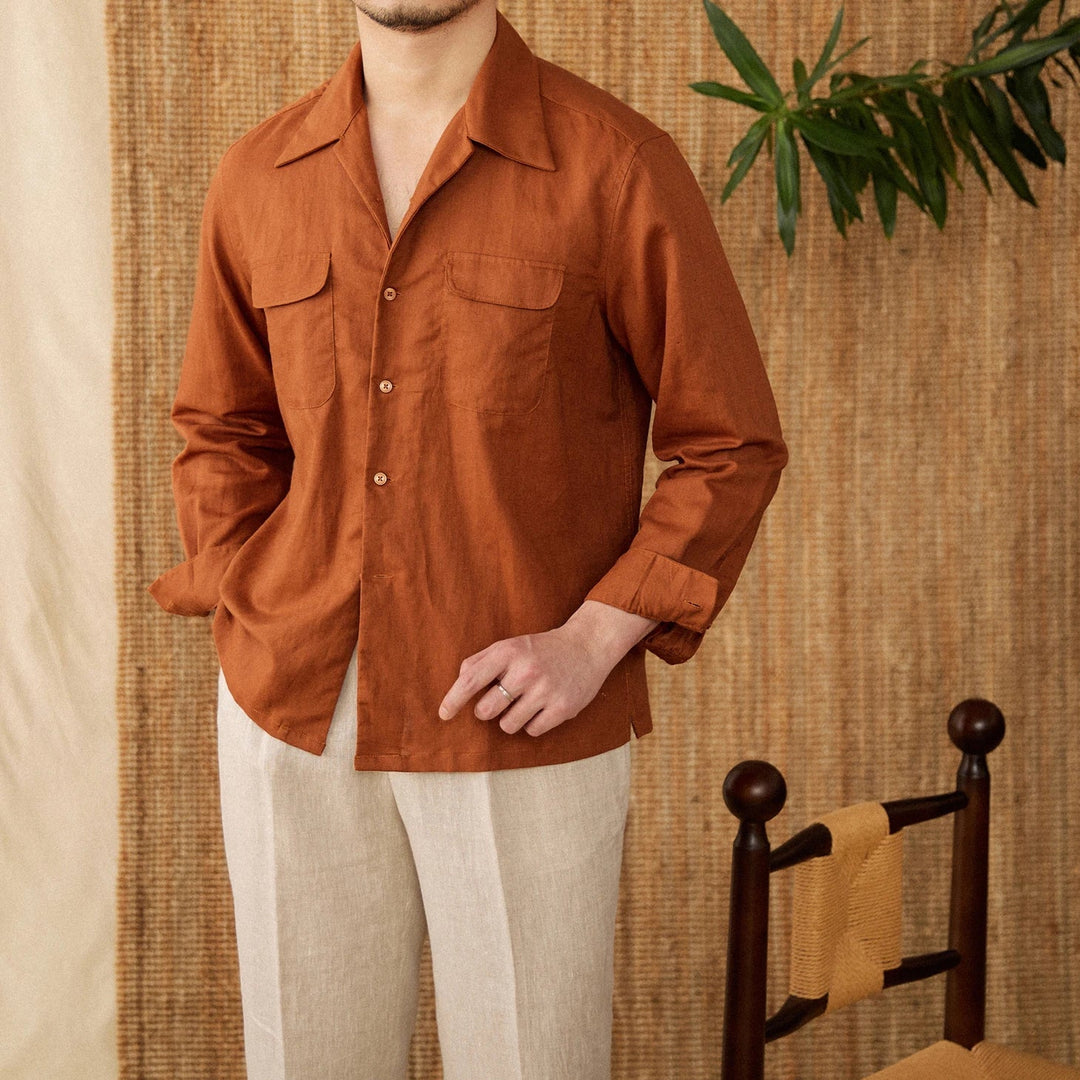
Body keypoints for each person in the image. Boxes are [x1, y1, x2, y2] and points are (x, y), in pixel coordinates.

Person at [147, 1, 788, 1077]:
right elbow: (222, 428)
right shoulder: (259, 175)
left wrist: (591, 640)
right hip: (293, 707)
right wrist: (257, 599)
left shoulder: (616, 165)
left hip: (520, 710)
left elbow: (731, 442)